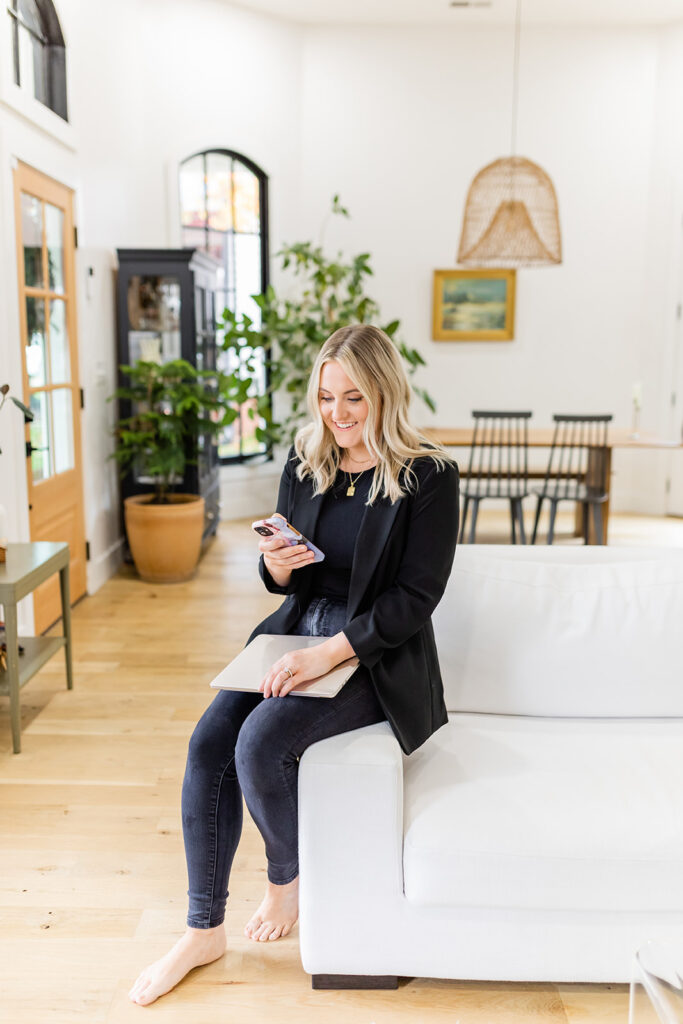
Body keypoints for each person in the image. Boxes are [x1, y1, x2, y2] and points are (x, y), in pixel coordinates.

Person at [128, 324, 459, 1006]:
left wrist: (328, 654)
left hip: (372, 656)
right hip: (293, 634)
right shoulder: (309, 459)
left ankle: (286, 883)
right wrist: (273, 566)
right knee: (207, 744)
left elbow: (413, 600)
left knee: (259, 744)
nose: (337, 413)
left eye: (354, 399)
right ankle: (203, 929)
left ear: (385, 394)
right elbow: (287, 577)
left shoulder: (428, 477)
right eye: (326, 396)